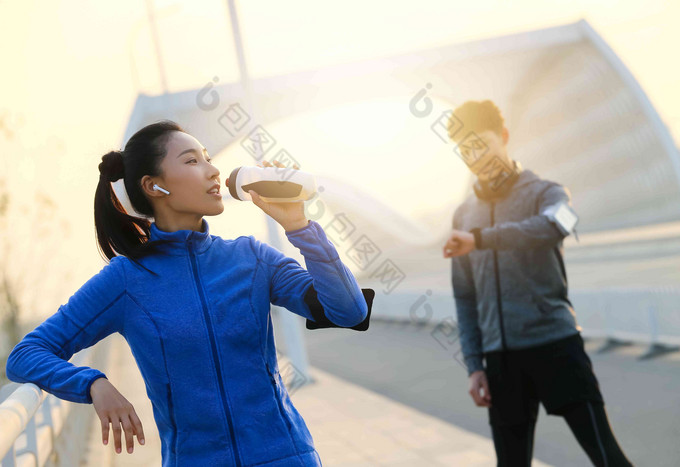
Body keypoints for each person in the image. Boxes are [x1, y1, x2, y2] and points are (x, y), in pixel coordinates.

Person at [5, 120, 370, 466]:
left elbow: (348, 311)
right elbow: (26, 354)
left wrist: (299, 226)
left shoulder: (252, 257)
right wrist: (92, 383)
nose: (213, 171)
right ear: (154, 186)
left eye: (209, 159)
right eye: (192, 161)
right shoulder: (127, 280)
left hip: (288, 457)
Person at [442, 100, 634, 467]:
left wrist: (482, 238)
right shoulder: (463, 215)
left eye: (481, 143)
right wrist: (474, 365)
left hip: (556, 346)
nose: (475, 156)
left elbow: (558, 225)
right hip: (500, 362)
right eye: (465, 149)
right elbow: (465, 297)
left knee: (607, 457)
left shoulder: (549, 193)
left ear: (504, 137)